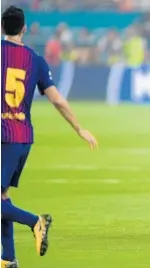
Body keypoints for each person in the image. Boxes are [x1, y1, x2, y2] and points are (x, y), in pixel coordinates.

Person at [1, 6, 98, 267]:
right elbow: (57, 99)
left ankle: (36, 222)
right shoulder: (35, 60)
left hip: (3, 136)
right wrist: (79, 128)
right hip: (22, 137)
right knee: (2, 197)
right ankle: (8, 259)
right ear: (23, 28)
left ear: (1, 27)